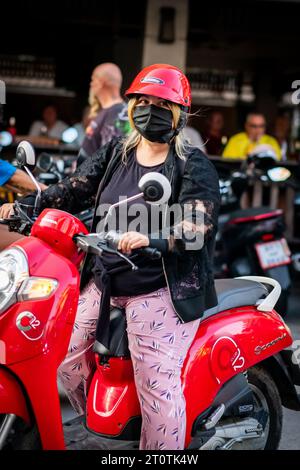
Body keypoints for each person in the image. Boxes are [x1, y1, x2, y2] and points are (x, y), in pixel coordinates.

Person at [0, 64, 220, 450]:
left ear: (179, 115)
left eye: (162, 105)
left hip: (160, 286)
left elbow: (196, 226)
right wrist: (25, 206)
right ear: (132, 106)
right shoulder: (117, 153)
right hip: (106, 277)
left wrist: (152, 238)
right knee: (66, 361)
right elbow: (72, 189)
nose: (151, 110)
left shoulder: (193, 164)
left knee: (158, 385)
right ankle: (105, 433)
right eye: (144, 102)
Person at [79, 62, 130, 161]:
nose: (91, 84)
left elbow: (111, 159)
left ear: (102, 82)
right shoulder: (109, 112)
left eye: (93, 80)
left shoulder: (118, 114)